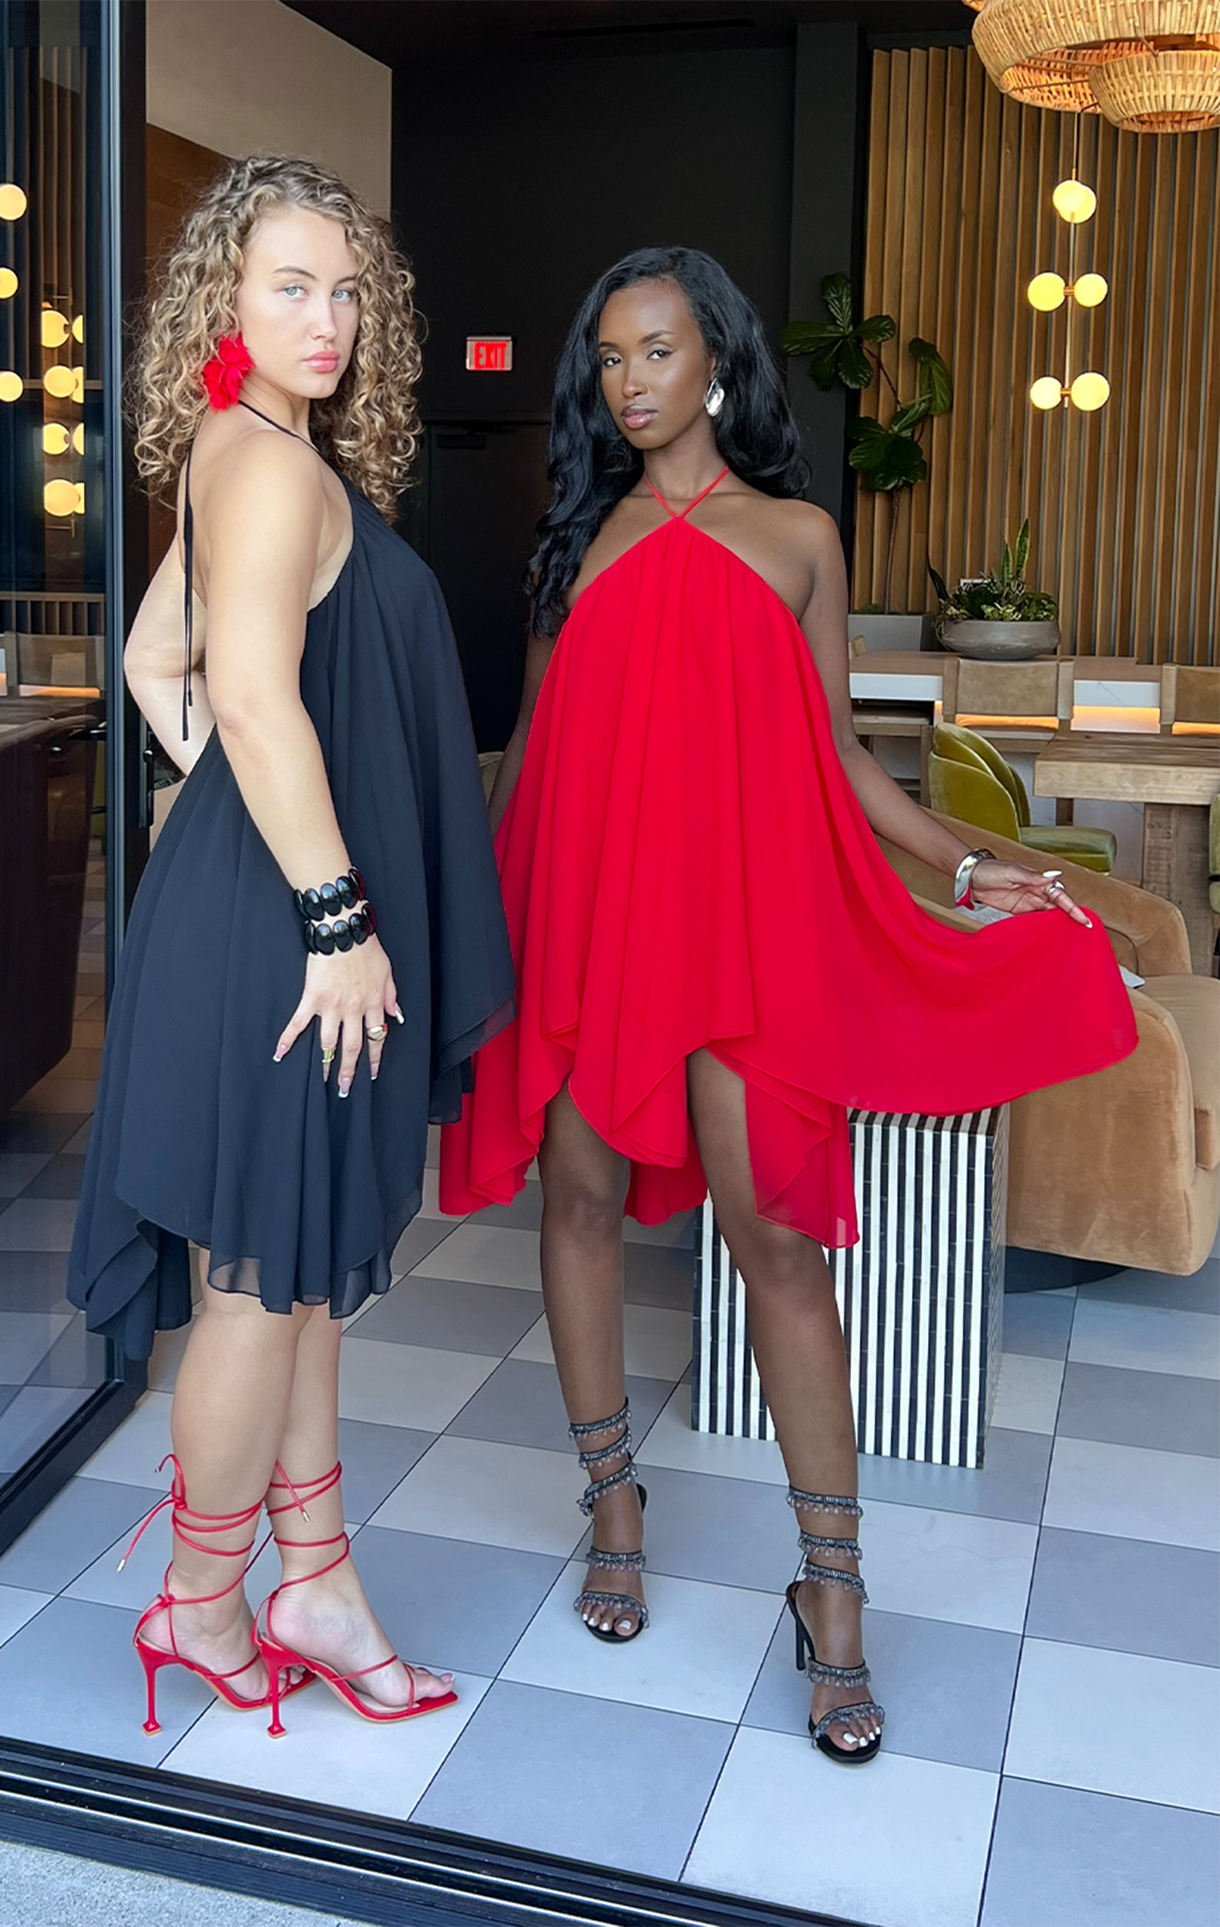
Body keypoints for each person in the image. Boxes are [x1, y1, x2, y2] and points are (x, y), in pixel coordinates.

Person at [441, 246, 1135, 1764]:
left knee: (773, 1242)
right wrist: (482, 933)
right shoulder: (577, 545)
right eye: (609, 359)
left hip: (736, 939)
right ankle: (612, 1500)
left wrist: (979, 864)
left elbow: (838, 763)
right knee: (573, 1198)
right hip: (587, 921)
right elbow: (532, 764)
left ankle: (833, 1590)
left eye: (658, 351)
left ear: (718, 362)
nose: (632, 382)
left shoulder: (800, 537)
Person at [69, 154, 513, 1739]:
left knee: (302, 1263)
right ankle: (197, 1601)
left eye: (345, 291)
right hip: (298, 940)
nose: (325, 318)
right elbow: (244, 695)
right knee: (261, 1282)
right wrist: (321, 906)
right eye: (288, 286)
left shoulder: (255, 452)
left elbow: (147, 657)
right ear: (224, 301)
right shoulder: (263, 467)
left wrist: (237, 836)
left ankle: (312, 1573)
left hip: (271, 910)